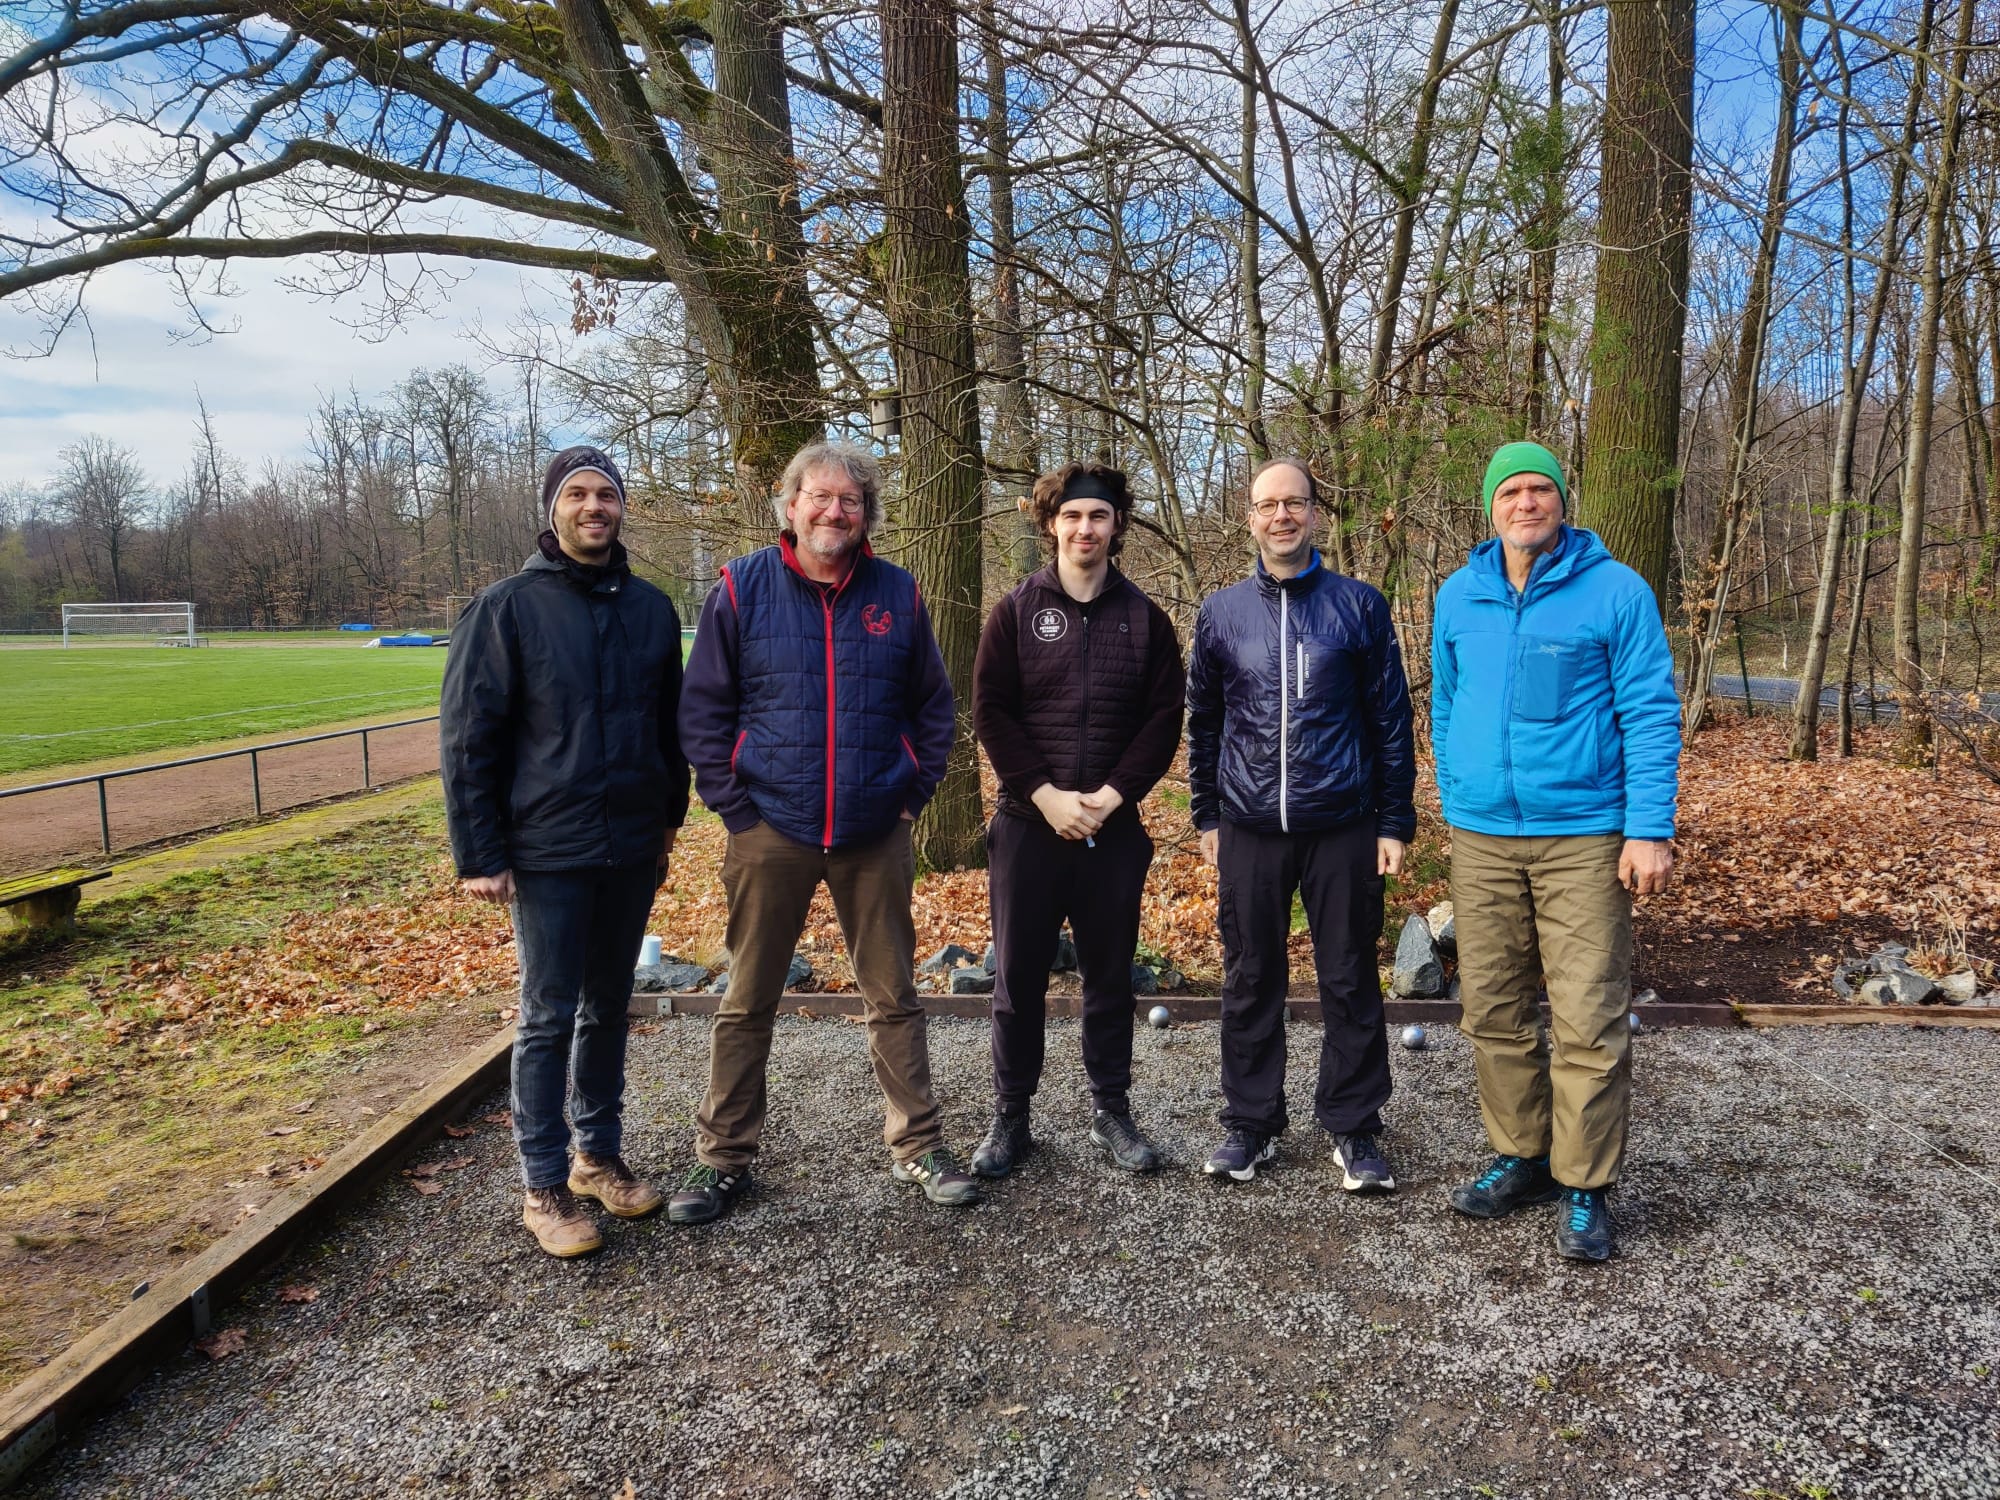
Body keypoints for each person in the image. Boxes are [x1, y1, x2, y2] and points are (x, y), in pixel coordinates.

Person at [671, 440, 978, 1221]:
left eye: (849, 500)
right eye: (820, 496)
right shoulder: (741, 586)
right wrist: (734, 808)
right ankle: (723, 1158)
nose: (834, 511)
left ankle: (919, 1145)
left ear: (866, 513)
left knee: (894, 995)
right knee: (747, 997)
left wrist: (912, 794)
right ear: (791, 504)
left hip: (875, 830)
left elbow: (934, 708)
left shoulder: (898, 593)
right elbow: (702, 710)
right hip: (769, 826)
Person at [1431, 441, 1680, 1262]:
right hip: (1483, 836)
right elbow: (1445, 702)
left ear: (1562, 501)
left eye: (1540, 489)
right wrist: (1457, 790)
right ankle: (1524, 1156)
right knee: (1493, 1008)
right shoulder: (1459, 594)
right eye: (1511, 492)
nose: (1526, 503)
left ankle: (1585, 1185)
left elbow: (1650, 711)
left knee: (1587, 1014)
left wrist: (1649, 827)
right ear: (1491, 505)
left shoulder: (1616, 591)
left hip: (1584, 834)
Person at [441, 446, 689, 1258]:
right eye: (577, 494)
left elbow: (669, 728)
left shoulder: (651, 610)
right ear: (553, 509)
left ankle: (596, 1157)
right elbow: (469, 738)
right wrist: (479, 852)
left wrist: (669, 818)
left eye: (606, 494)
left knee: (609, 1006)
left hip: (631, 844)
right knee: (548, 1014)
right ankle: (542, 1183)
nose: (593, 507)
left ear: (621, 509)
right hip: (548, 847)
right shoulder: (506, 608)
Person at [1185, 458, 1416, 1188]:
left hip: (1342, 822)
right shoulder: (1222, 613)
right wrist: (1206, 812)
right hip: (1249, 824)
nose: (1281, 516)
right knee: (1250, 976)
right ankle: (1251, 1124)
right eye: (1267, 505)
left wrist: (1393, 820)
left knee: (1349, 976)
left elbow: (1390, 720)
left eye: (1294, 503)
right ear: (1250, 518)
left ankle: (1355, 1125)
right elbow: (1204, 722)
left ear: (1315, 513)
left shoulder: (1359, 606)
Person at [968, 462, 1186, 1177]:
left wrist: (1113, 795)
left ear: (1117, 525)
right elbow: (991, 713)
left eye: (1097, 516)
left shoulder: (1146, 621)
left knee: (1109, 978)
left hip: (1112, 832)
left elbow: (1162, 721)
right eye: (1071, 516)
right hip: (1028, 827)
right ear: (1050, 524)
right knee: (1017, 980)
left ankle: (1111, 1112)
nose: (1084, 528)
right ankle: (1011, 1117)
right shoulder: (1014, 612)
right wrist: (1045, 795)